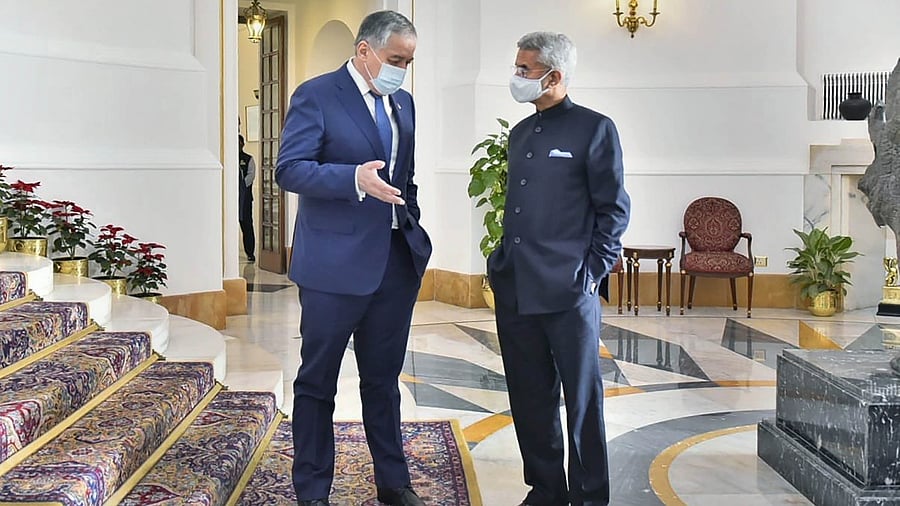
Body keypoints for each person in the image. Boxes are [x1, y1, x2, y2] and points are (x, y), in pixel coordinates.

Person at [275, 10, 431, 506]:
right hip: (332, 266)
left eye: (408, 62)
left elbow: (403, 177)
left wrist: (410, 221)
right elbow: (289, 169)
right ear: (364, 50)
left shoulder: (403, 103)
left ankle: (393, 483)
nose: (401, 70)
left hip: (394, 263)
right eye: (395, 59)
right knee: (317, 382)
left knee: (383, 381)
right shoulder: (317, 95)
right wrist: (352, 179)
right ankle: (313, 491)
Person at [486, 32, 631, 506]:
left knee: (582, 399)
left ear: (554, 76)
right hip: (516, 286)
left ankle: (589, 496)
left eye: (524, 69)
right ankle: (546, 490)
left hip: (569, 289)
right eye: (517, 67)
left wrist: (591, 273)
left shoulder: (595, 128)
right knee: (529, 396)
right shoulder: (520, 134)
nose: (517, 76)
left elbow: (613, 210)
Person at [238, 134, 256, 262]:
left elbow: (251, 176)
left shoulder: (248, 159)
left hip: (245, 199)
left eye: (239, 143)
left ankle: (250, 252)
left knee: (247, 225)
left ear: (243, 144)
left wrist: (241, 185)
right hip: (231, 198)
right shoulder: (227, 158)